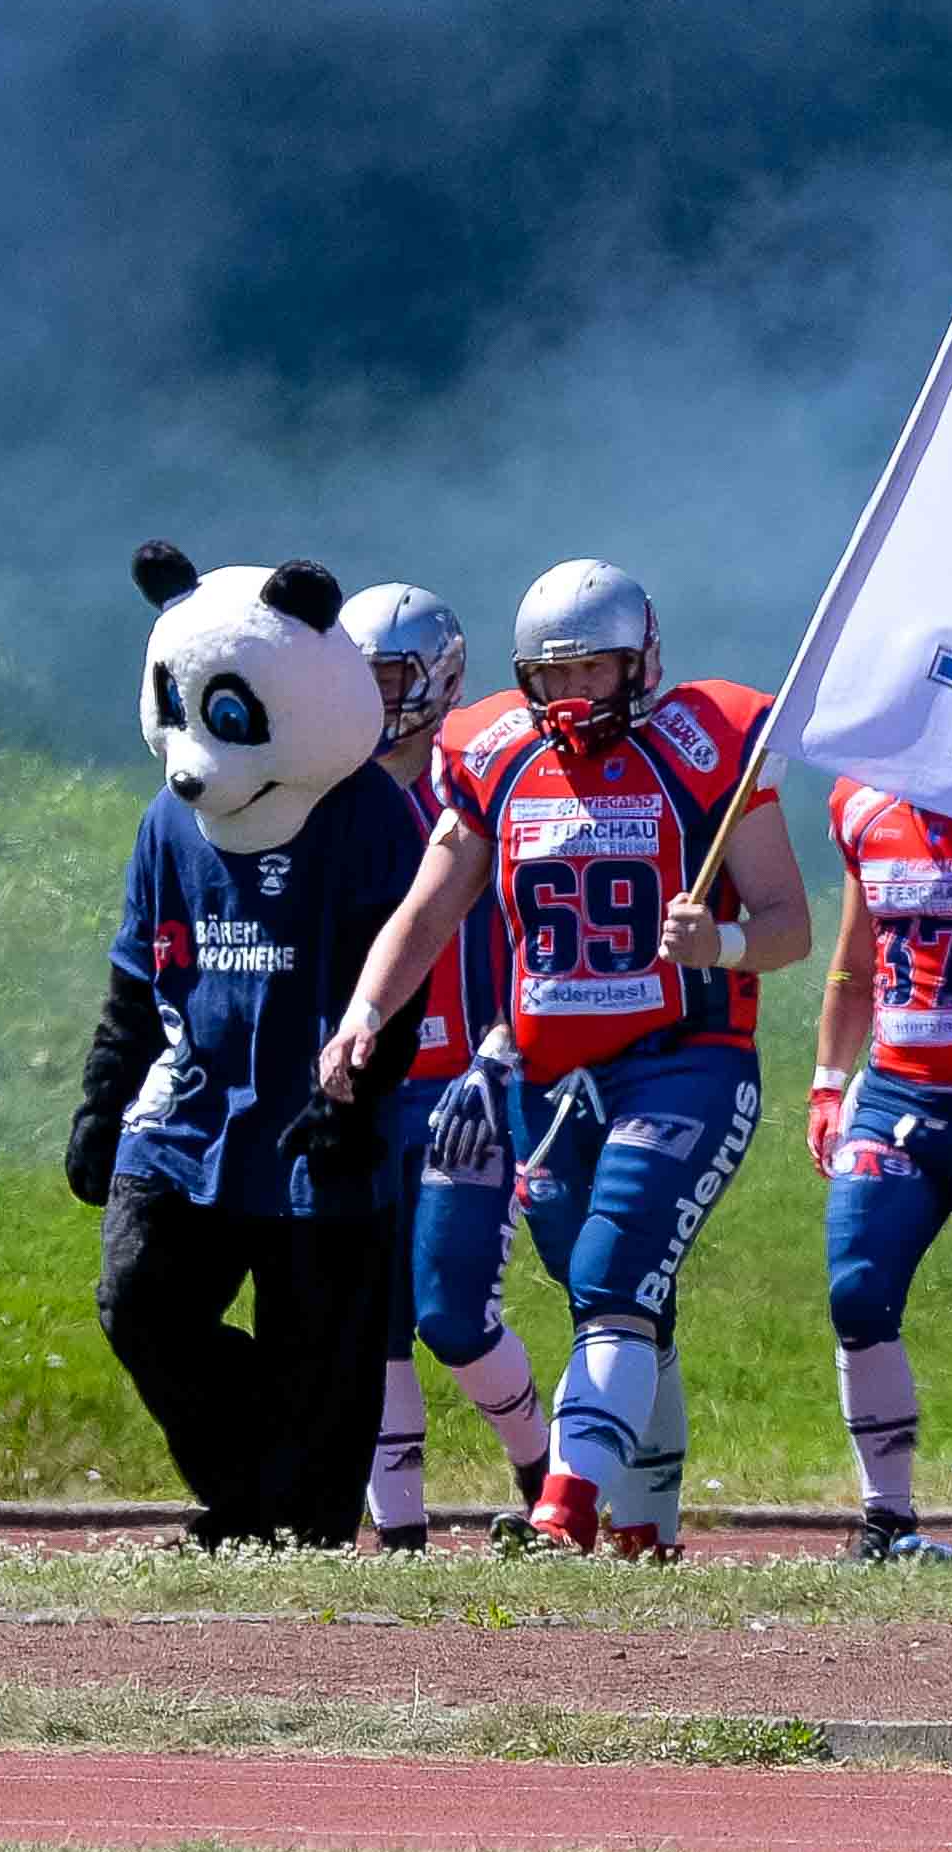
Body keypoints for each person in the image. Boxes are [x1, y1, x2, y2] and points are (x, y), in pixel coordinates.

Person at [324, 560, 805, 1559]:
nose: (574, 696)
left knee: (610, 1273)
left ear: (644, 663)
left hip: (682, 1057)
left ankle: (566, 1505)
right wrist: (366, 1012)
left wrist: (716, 943)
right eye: (555, 677)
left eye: (595, 672)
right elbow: (428, 907)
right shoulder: (496, 755)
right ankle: (646, 1526)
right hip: (551, 1079)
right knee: (628, 1300)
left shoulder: (704, 747)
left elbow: (789, 922)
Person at [63, 545, 427, 1550]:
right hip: (188, 1118)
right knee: (139, 1303)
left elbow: (402, 966)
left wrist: (361, 1093)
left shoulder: (367, 816)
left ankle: (294, 1526)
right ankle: (249, 1483)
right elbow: (138, 972)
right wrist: (102, 1100)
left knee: (323, 1343)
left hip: (321, 1123)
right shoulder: (165, 820)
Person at [337, 583, 554, 1553]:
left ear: (440, 674)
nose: (372, 697)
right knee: (372, 1317)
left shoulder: (489, 780)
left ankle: (546, 1476)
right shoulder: (322, 793)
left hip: (477, 1081)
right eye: (356, 678)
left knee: (452, 1314)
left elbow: (542, 934)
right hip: (374, 1088)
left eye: (387, 674)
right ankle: (406, 1533)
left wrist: (509, 1045)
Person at [809, 772, 952, 1559]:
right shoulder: (862, 805)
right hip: (893, 1096)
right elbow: (853, 965)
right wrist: (827, 1082)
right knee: (857, 1294)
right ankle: (886, 1514)